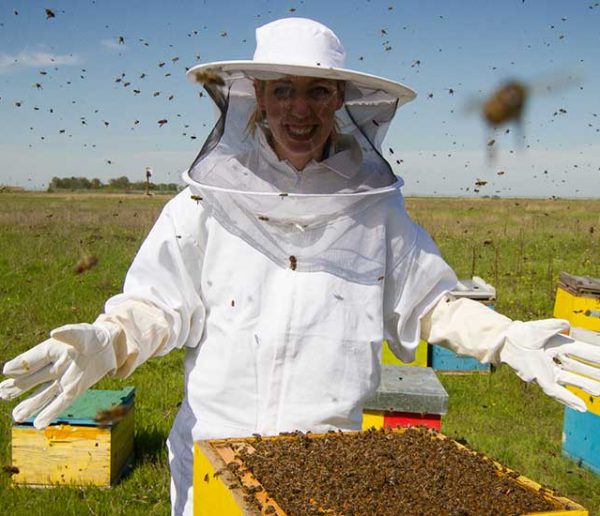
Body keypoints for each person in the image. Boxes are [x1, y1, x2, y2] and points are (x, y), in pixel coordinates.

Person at [1, 17, 599, 515]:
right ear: (257, 96)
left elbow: (429, 301)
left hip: (326, 467)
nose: (299, 110)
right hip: (213, 459)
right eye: (282, 90)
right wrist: (107, 343)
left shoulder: (376, 209)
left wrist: (507, 338)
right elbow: (156, 305)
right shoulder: (203, 203)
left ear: (340, 100)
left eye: (316, 92)